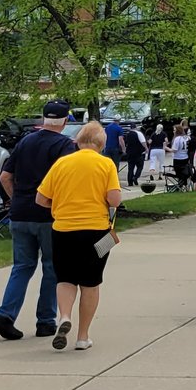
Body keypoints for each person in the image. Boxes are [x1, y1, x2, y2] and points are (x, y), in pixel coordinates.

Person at [0, 102, 75, 342]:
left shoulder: (26, 141)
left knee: (22, 266)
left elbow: (5, 176)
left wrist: (15, 198)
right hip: (47, 215)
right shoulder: (64, 146)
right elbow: (66, 181)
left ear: (43, 118)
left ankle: (5, 314)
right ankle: (45, 321)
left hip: (20, 213)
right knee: (51, 267)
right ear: (66, 121)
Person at [33, 121, 122, 351]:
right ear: (101, 144)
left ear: (78, 141)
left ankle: (64, 316)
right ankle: (83, 336)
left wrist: (60, 203)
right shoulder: (106, 164)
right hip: (96, 231)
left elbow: (40, 199)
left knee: (65, 279)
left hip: (63, 229)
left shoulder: (62, 163)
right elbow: (114, 199)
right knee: (91, 282)